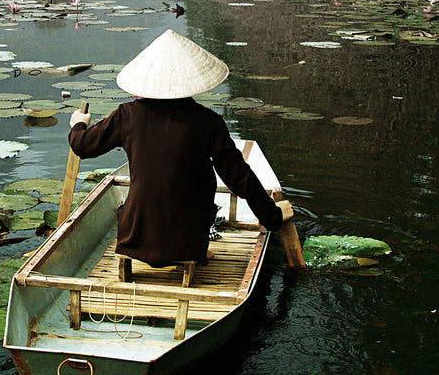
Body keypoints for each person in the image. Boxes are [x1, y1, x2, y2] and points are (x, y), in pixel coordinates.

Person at [69, 30, 293, 267]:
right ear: (191, 81)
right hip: (188, 240)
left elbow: (82, 146)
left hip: (136, 235)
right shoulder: (208, 121)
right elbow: (239, 177)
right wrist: (272, 216)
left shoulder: (127, 116)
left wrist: (79, 124)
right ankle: (198, 249)